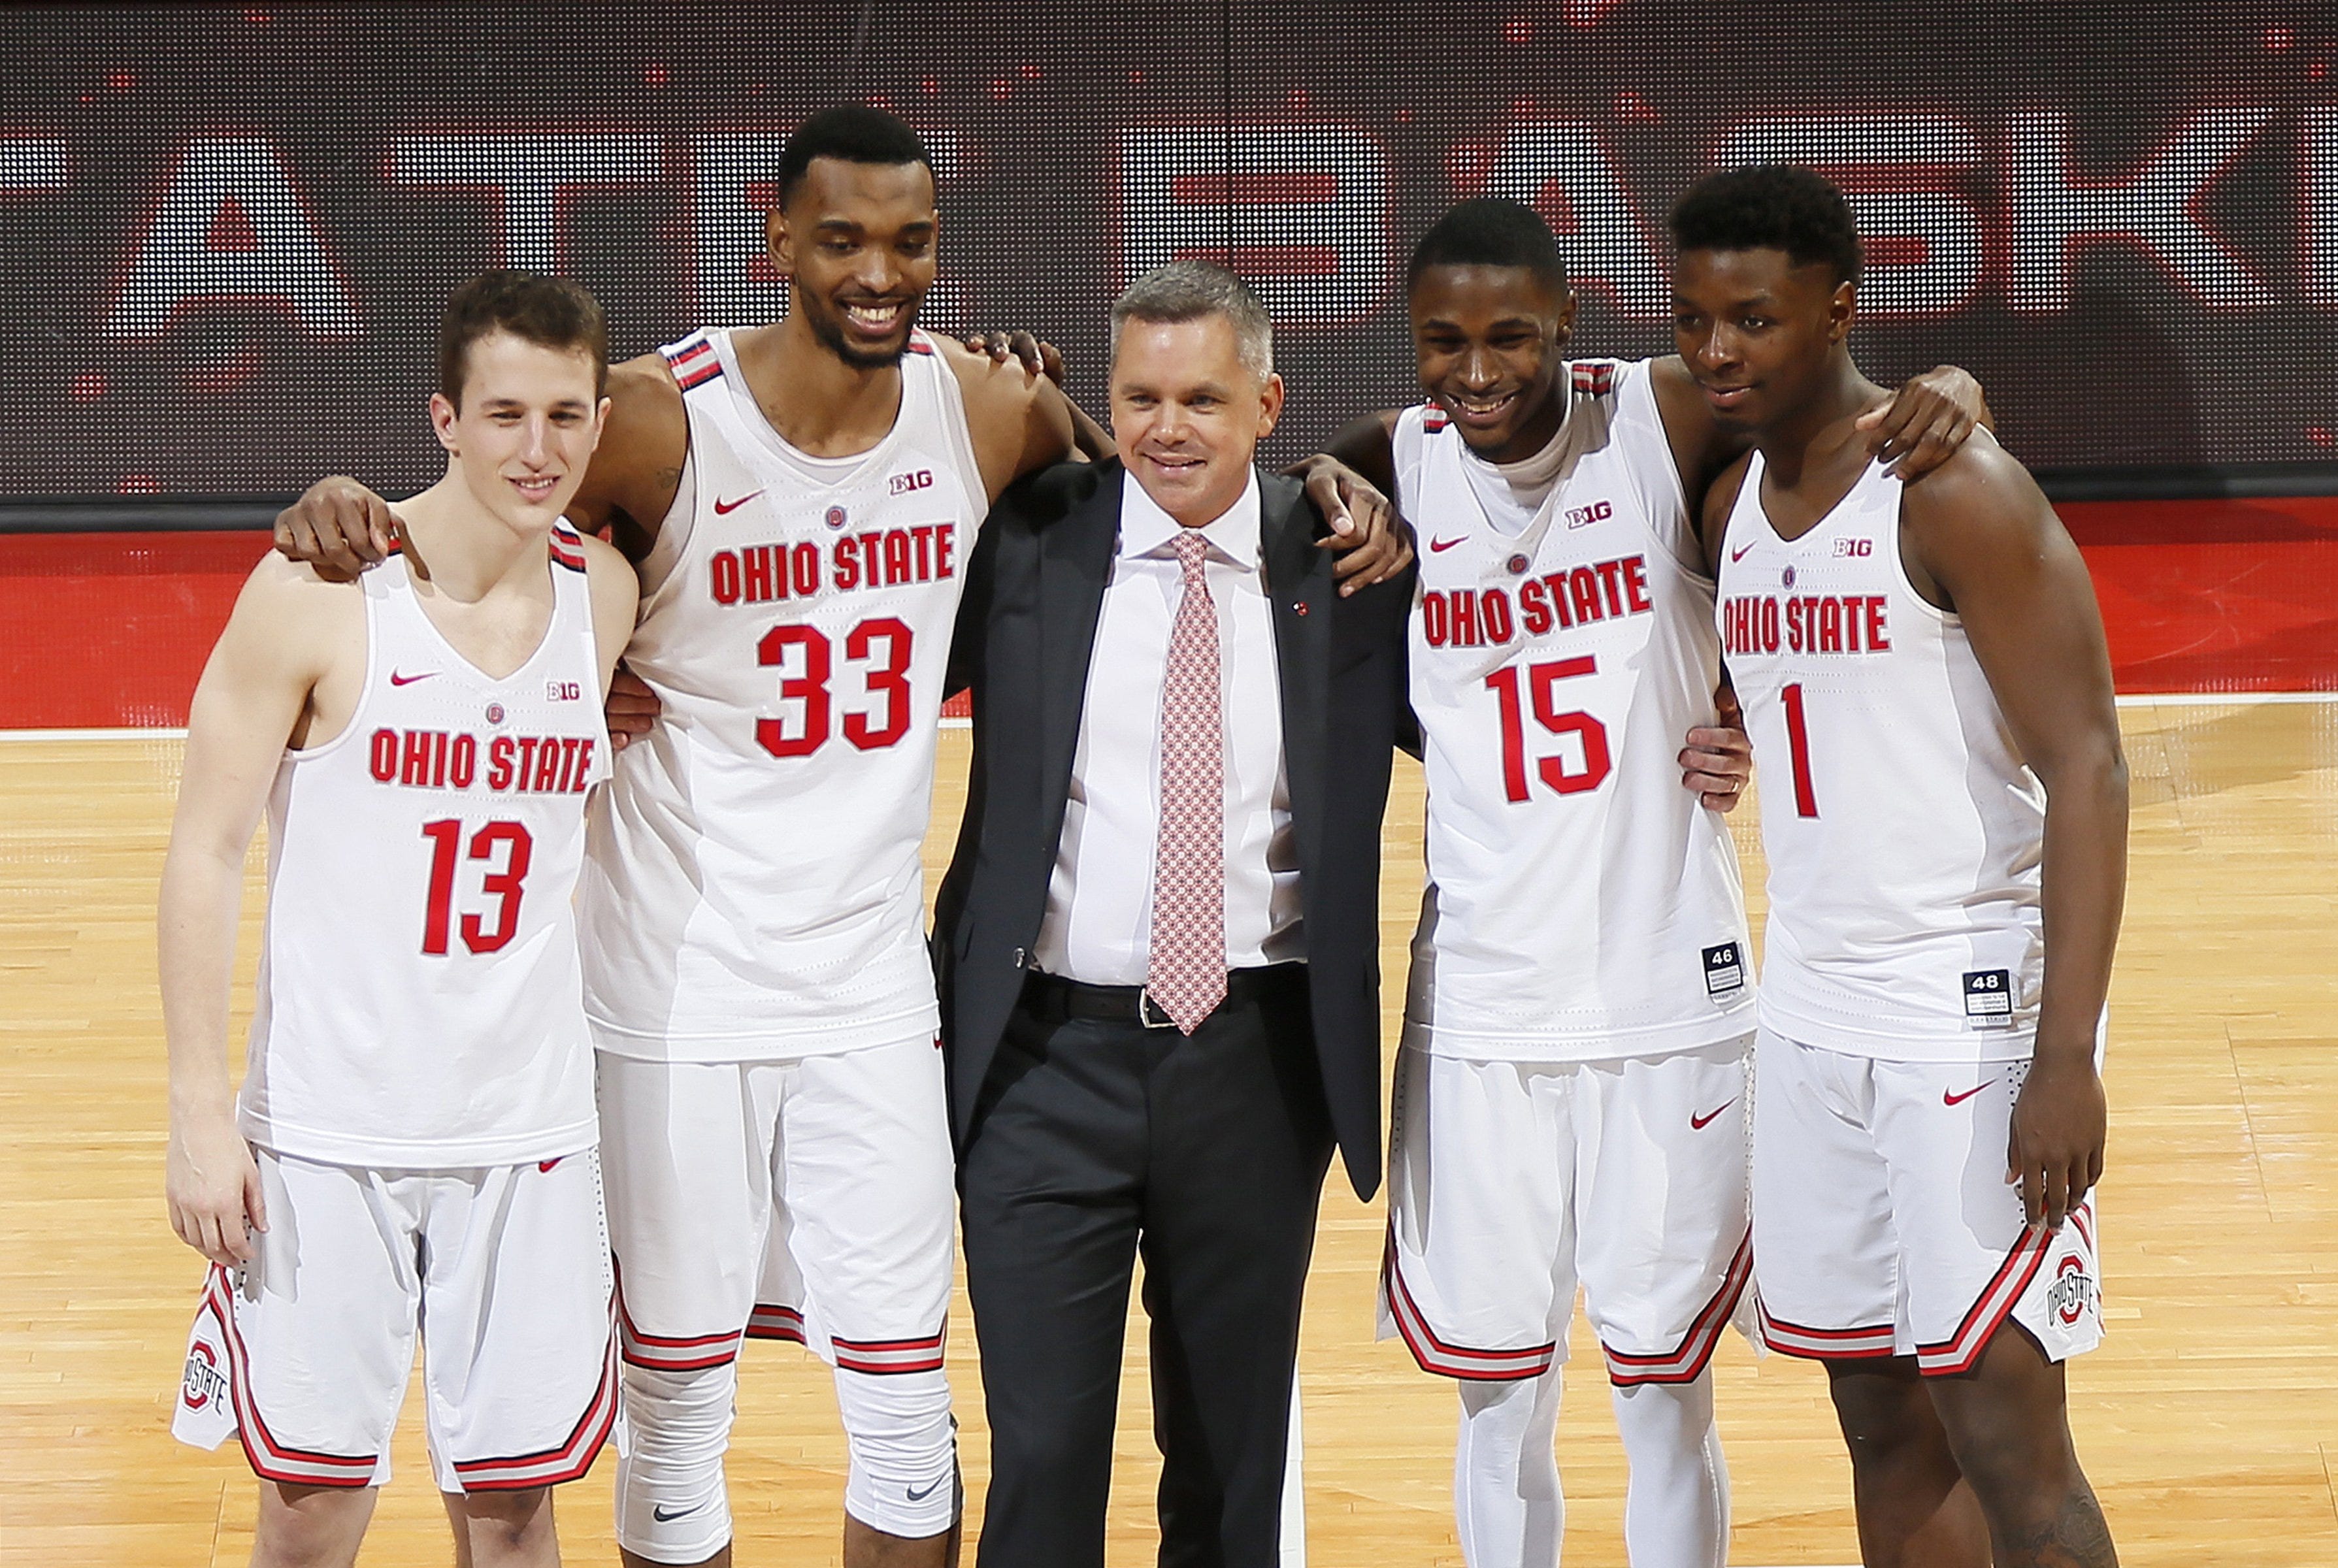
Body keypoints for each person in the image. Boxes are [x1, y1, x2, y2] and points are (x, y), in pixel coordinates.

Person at [267, 105, 1405, 1568]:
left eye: (912, 241)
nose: (882, 271)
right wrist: (357, 505)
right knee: (675, 1400)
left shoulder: (984, 409)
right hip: (672, 994)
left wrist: (1323, 477)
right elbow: (492, 491)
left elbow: (1175, 476)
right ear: (777, 238)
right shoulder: (656, 413)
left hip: (874, 994)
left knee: (905, 1405)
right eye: (846, 239)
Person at [1314, 197, 1986, 1568]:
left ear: (1571, 318)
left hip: (1665, 995)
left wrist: (1956, 389)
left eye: (1511, 334)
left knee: (1663, 1397)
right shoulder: (1395, 459)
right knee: (1496, 1403)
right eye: (1442, 340)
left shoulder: (1661, 415)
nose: (1478, 368)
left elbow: (1832, 412)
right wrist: (1328, 485)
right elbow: (1253, 495)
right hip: (1481, 1012)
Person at [932, 261, 1413, 1568]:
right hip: (1040, 1066)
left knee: (1229, 1461)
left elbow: (1500, 709)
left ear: (1266, 403)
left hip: (1253, 1068)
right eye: (1139, 397)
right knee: (1039, 1458)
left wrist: (1707, 722)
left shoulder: (1349, 570)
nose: (1168, 427)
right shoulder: (1026, 546)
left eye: (1202, 396)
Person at [162, 270, 637, 1568]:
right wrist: (201, 1119)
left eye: (563, 416)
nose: (534, 449)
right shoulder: (318, 590)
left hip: (529, 1131)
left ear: (601, 423)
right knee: (312, 1517)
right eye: (501, 415)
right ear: (441, 418)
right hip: (327, 1135)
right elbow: (203, 851)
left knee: (513, 1513)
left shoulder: (610, 599)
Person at [1685, 165, 2124, 1567]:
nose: (1716, 350)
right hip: (1809, 1012)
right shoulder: (1727, 503)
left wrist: (2064, 1058)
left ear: (1838, 311)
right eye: (1695, 319)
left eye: (1752, 318)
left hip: (1965, 1015)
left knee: (2006, 1434)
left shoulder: (1951, 487)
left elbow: (2091, 769)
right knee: (1876, 1417)